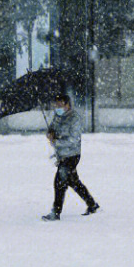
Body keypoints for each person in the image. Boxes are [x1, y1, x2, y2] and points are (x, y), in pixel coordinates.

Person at [42, 93, 99, 221]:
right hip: (62, 155)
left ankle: (56, 212)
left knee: (59, 182)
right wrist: (50, 133)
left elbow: (74, 139)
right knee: (73, 181)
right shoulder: (57, 116)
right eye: (56, 105)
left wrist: (56, 141)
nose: (58, 108)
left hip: (72, 155)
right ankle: (92, 204)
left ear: (67, 105)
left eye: (61, 105)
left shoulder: (74, 119)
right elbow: (52, 128)